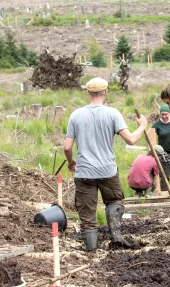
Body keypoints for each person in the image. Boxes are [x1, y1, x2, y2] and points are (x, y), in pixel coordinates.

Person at [64, 77, 147, 250]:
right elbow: (131, 140)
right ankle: (116, 237)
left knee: (87, 214)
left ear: (88, 93)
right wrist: (143, 125)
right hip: (107, 170)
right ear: (105, 91)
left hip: (84, 172)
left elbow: (66, 147)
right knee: (114, 201)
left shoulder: (76, 115)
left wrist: (71, 161)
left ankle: (91, 249)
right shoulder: (113, 113)